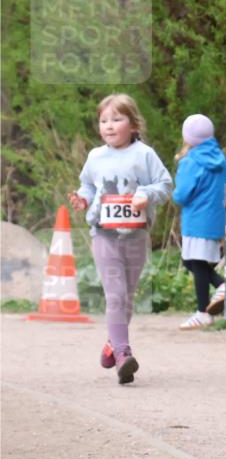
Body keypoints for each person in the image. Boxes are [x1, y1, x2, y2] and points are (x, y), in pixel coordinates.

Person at [67, 93, 173, 385]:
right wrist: (82, 199)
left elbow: (164, 185)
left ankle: (112, 344)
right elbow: (88, 185)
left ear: (134, 124)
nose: (109, 126)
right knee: (115, 294)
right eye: (104, 120)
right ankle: (124, 354)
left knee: (126, 297)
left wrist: (146, 195)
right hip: (104, 234)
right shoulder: (95, 157)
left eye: (117, 119)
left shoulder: (145, 155)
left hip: (136, 236)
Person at [173, 114, 226, 329]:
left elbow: (182, 195)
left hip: (196, 219)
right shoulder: (220, 157)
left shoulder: (191, 161)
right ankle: (222, 286)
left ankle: (203, 311)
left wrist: (175, 194)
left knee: (196, 263)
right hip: (215, 219)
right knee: (191, 261)